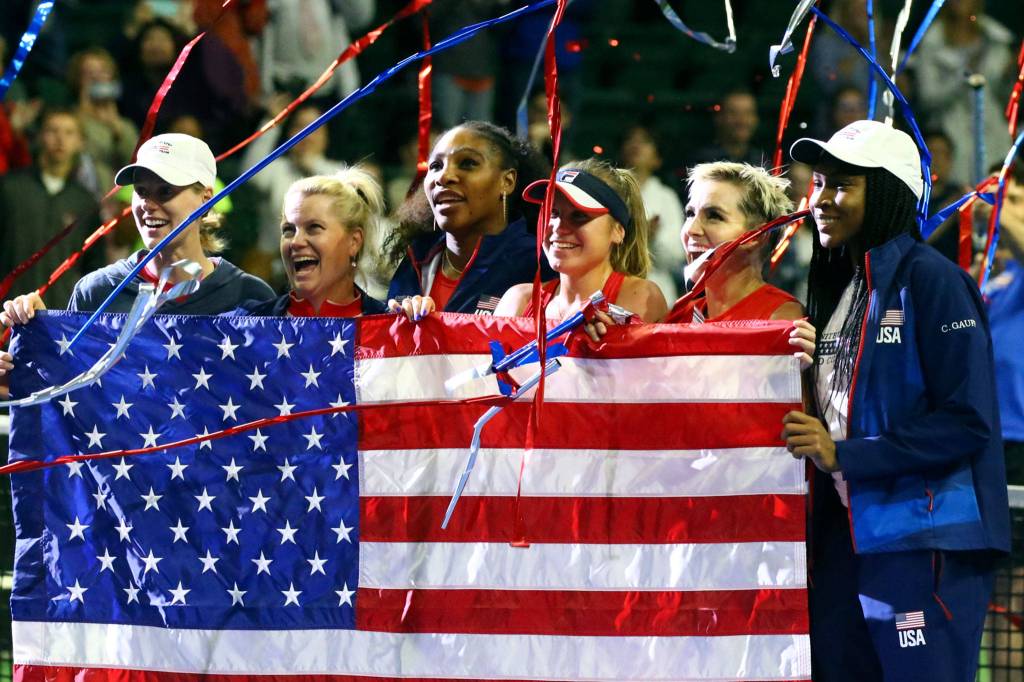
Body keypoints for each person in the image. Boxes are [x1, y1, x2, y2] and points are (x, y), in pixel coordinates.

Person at [782, 120, 1009, 681]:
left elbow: (968, 420)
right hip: (849, 536)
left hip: (921, 539)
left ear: (885, 193)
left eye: (842, 185)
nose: (821, 200)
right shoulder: (842, 289)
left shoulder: (933, 280)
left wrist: (846, 455)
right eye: (819, 183)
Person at [0, 133, 274, 336]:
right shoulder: (97, 291)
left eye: (165, 191)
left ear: (205, 200)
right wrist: (34, 341)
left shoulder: (249, 296)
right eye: (141, 191)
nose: (147, 204)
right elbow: (73, 395)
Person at [385, 120, 552, 315]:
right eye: (436, 166)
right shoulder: (417, 257)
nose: (443, 176)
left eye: (467, 163)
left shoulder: (538, 264)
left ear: (507, 181)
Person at [235, 166, 386, 317]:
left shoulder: (390, 329)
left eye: (314, 227)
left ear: (354, 242)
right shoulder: (245, 325)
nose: (295, 242)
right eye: (288, 230)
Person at [664, 161, 804, 323]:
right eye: (690, 214)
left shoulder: (781, 317)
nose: (691, 230)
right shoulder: (679, 316)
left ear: (756, 237)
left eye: (714, 216)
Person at [0, 108, 103, 309]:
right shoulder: (9, 187)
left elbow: (93, 268)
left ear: (81, 142)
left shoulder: (86, 202)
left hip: (58, 322)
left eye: (69, 132)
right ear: (39, 137)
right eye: (52, 131)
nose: (60, 139)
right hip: (7, 313)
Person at [620, 124, 686, 301]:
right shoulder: (611, 193)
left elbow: (676, 257)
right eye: (630, 140)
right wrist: (639, 235)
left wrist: (651, 239)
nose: (636, 145)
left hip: (657, 289)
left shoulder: (666, 197)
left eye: (645, 141)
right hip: (616, 288)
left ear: (657, 159)